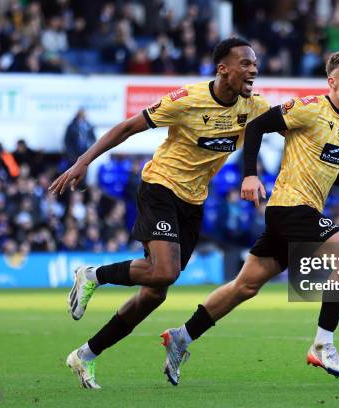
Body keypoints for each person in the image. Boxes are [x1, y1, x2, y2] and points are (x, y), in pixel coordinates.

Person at [159, 50, 339, 385]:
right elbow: (256, 126)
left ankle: (181, 336)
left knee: (245, 286)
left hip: (300, 213)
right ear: (333, 81)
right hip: (290, 208)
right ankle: (323, 344)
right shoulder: (310, 107)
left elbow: (330, 168)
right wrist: (250, 175)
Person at [48, 37, 269, 389]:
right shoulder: (187, 100)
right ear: (222, 68)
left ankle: (85, 355)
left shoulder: (254, 107)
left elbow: (294, 126)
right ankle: (93, 275)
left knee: (155, 292)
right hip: (160, 186)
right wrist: (83, 161)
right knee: (164, 272)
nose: (253, 69)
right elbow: (126, 128)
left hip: (194, 201)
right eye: (245, 63)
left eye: (255, 63)